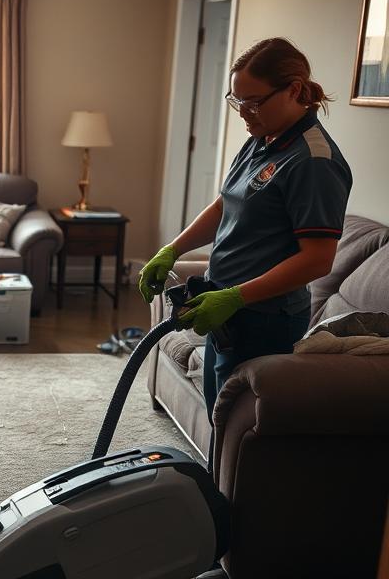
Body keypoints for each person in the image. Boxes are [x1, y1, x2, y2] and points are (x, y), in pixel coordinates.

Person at [140, 38, 351, 428]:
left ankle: (226, 492)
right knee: (218, 418)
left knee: (235, 426)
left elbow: (318, 259)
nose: (244, 113)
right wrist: (172, 249)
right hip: (224, 308)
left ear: (295, 90)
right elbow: (225, 204)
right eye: (237, 101)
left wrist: (236, 297)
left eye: (253, 102)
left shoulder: (312, 161)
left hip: (263, 318)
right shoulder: (261, 138)